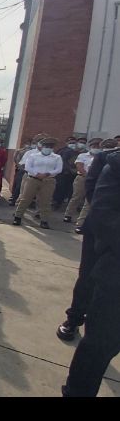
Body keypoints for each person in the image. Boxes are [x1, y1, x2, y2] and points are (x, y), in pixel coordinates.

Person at [62, 150, 120, 397]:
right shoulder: (113, 162)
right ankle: (74, 318)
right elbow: (101, 209)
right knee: (99, 343)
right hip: (110, 259)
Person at [57, 138, 120, 342]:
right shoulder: (106, 159)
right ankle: (74, 319)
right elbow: (93, 193)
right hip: (100, 232)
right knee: (88, 277)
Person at [13, 137, 62, 229]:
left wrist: (48, 173)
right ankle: (17, 217)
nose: (48, 148)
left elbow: (59, 169)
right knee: (25, 199)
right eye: (46, 146)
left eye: (50, 146)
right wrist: (37, 174)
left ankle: (44, 220)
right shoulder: (33, 156)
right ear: (42, 146)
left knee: (45, 201)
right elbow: (28, 167)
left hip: (48, 181)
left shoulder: (57, 157)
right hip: (33, 179)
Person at [64, 138, 102, 232]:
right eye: (94, 146)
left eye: (98, 146)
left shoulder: (101, 157)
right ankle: (68, 214)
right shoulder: (83, 155)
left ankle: (81, 222)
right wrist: (88, 176)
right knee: (76, 197)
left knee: (88, 201)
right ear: (90, 146)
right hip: (82, 178)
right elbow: (79, 166)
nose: (96, 148)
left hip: (95, 181)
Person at [53, 136, 80, 210]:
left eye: (74, 143)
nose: (72, 144)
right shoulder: (62, 151)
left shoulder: (77, 152)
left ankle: (66, 204)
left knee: (70, 190)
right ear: (67, 143)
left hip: (72, 175)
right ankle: (57, 203)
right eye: (70, 143)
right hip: (63, 174)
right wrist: (70, 169)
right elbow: (62, 162)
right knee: (60, 189)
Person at [9, 137, 33, 206]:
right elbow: (16, 159)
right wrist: (19, 166)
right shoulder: (21, 151)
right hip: (21, 170)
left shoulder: (35, 152)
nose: (29, 145)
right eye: (29, 143)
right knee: (18, 186)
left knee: (27, 187)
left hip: (30, 172)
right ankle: (14, 199)